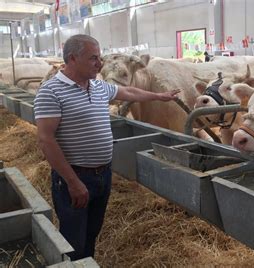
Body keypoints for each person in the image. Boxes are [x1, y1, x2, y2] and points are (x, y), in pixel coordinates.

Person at [34, 34, 180, 261]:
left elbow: (129, 92)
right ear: (72, 59)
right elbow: (46, 139)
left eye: (99, 57)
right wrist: (73, 182)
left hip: (102, 174)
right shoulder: (51, 91)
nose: (100, 64)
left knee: (92, 233)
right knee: (73, 239)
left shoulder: (98, 86)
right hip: (75, 177)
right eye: (93, 58)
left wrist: (159, 96)